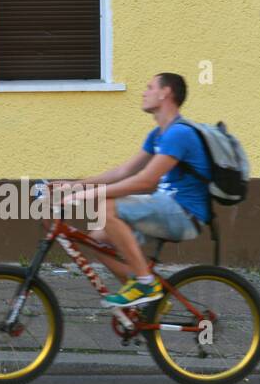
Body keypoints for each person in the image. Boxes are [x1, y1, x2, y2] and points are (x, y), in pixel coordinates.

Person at [54, 72, 212, 307]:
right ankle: (151, 303)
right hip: (166, 207)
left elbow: (145, 182)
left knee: (107, 207)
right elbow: (122, 172)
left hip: (184, 213)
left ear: (165, 92)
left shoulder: (179, 133)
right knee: (98, 240)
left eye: (150, 87)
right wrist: (72, 186)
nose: (144, 92)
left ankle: (145, 283)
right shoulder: (158, 134)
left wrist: (88, 195)